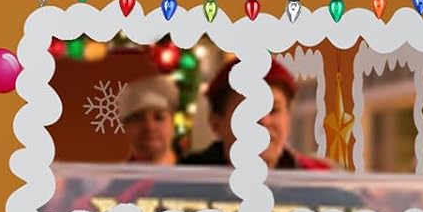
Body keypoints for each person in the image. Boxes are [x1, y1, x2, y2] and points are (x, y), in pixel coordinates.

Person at [181, 58, 330, 170]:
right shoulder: (183, 182)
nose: (264, 121)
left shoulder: (318, 181)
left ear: (288, 118)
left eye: (274, 110)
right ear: (216, 124)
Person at [116, 76, 179, 166]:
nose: (149, 127)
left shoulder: (195, 170)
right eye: (138, 118)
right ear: (125, 126)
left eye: (159, 118)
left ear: (172, 123)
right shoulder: (115, 175)